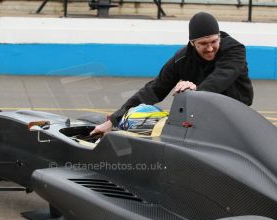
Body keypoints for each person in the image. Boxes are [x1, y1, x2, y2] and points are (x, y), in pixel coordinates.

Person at [91, 12, 254, 135]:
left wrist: (194, 92)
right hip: (203, 113)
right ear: (192, 43)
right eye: (203, 44)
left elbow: (221, 78)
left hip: (236, 111)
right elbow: (154, 89)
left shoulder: (234, 50)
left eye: (214, 42)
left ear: (219, 37)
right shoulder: (181, 59)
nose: (210, 48)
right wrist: (114, 120)